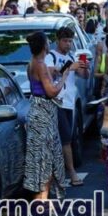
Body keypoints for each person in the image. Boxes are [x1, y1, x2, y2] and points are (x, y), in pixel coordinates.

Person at [24, 31, 78, 200]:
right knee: (46, 157)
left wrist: (54, 73)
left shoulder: (32, 62)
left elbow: (39, 83)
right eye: (47, 42)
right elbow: (52, 91)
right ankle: (43, 199)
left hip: (37, 109)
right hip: (44, 111)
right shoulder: (40, 64)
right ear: (44, 45)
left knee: (38, 156)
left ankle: (40, 198)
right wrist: (64, 76)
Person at [45, 27, 90, 186]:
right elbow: (52, 73)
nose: (68, 44)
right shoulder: (50, 56)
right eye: (65, 41)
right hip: (57, 100)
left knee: (67, 138)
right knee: (65, 139)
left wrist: (84, 67)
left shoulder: (72, 56)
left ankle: (59, 173)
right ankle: (71, 172)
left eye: (70, 41)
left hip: (70, 102)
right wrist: (70, 67)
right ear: (58, 40)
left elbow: (84, 76)